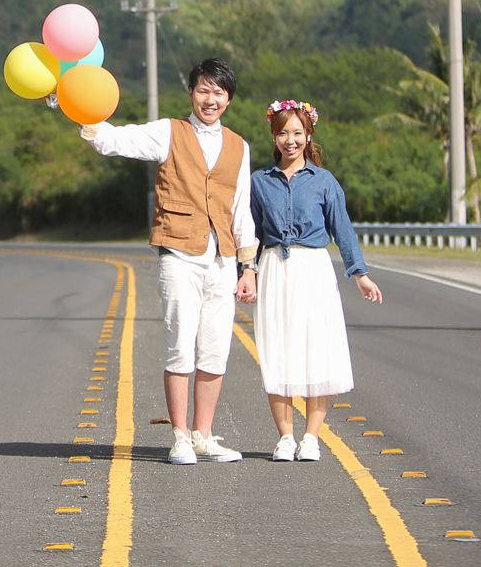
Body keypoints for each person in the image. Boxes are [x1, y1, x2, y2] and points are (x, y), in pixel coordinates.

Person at [79, 58, 257, 465]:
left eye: (218, 92)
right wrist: (79, 112)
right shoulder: (168, 132)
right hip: (179, 253)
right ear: (191, 93)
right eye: (203, 90)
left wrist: (248, 268)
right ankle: (179, 437)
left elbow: (241, 208)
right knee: (181, 344)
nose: (210, 99)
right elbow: (115, 140)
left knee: (215, 350)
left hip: (223, 259)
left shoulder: (239, 146)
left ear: (228, 98)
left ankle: (203, 436)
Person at [237, 99, 383, 461]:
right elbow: (249, 231)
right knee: (277, 351)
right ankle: (285, 437)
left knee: (317, 350)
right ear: (273, 136)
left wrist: (360, 274)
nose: (290, 140)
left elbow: (342, 230)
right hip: (274, 268)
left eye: (297, 133)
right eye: (283, 133)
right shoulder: (258, 182)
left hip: (314, 269)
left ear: (308, 135)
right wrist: (247, 272)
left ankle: (311, 438)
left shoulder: (324, 182)